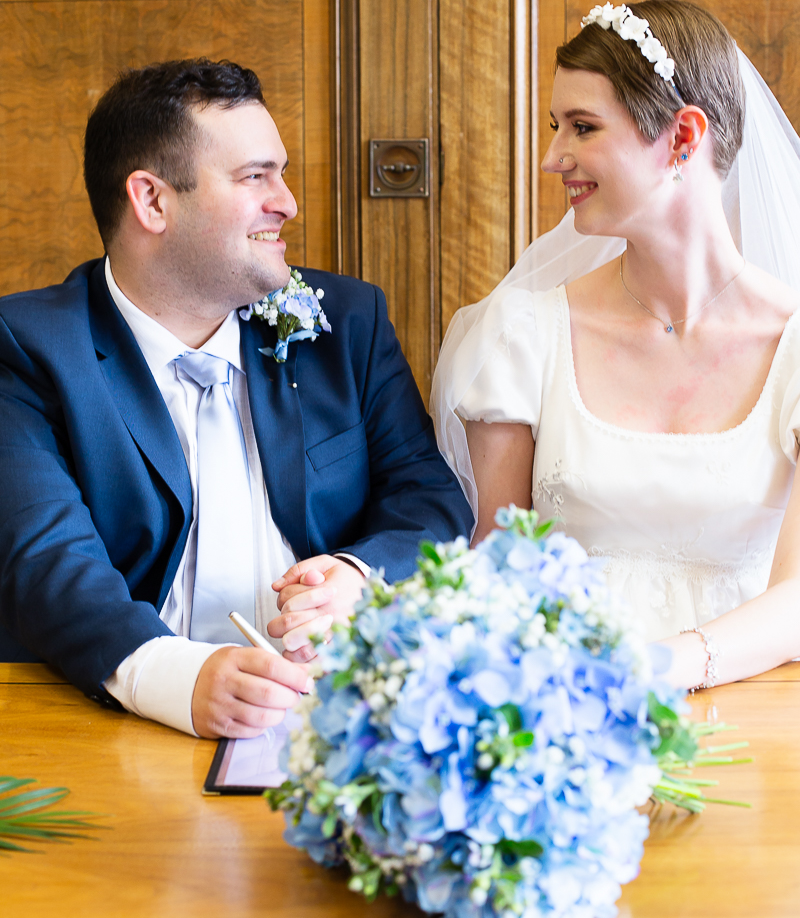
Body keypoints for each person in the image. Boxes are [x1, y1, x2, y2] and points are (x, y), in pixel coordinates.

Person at [0, 58, 472, 738]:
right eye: (256, 177)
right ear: (152, 201)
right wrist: (179, 677)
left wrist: (359, 574)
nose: (287, 202)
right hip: (114, 721)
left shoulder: (346, 323)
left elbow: (431, 500)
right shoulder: (26, 347)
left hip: (336, 715)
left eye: (281, 173)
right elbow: (45, 559)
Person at [432, 0, 800, 692]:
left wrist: (651, 669)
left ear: (683, 136)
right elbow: (498, 566)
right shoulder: (522, 334)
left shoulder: (794, 347)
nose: (552, 159)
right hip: (563, 706)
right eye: (556, 128)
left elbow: (797, 597)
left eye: (583, 127)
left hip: (753, 709)